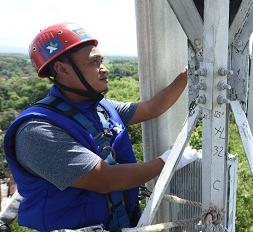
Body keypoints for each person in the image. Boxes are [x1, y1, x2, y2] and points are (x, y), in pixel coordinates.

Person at [3, 22, 198, 231]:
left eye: (101, 60)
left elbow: (152, 108)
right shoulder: (37, 132)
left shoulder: (100, 108)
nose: (104, 69)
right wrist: (166, 162)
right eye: (93, 62)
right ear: (62, 69)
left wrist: (189, 72)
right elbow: (104, 179)